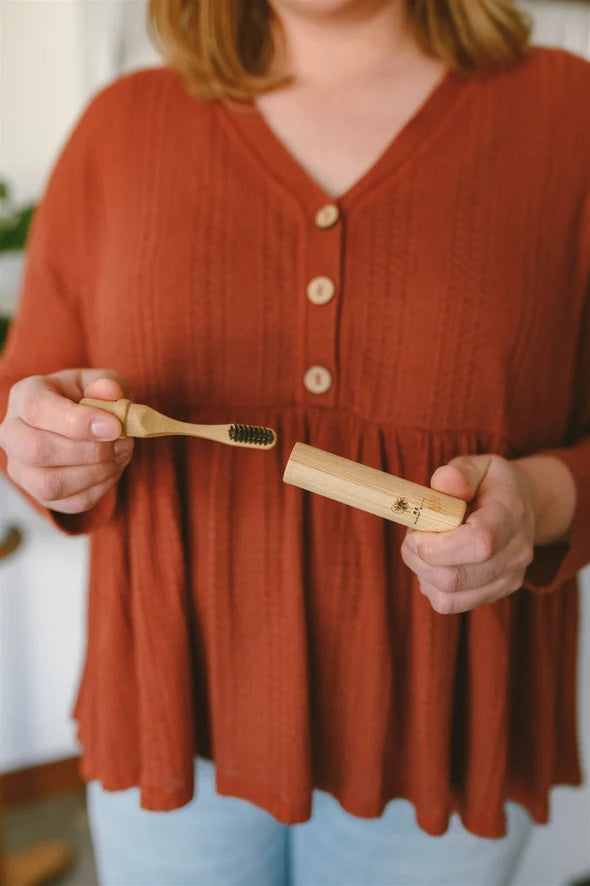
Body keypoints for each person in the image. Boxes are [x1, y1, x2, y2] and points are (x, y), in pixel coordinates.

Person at [1, 0, 589, 883]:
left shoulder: (568, 117)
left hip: (439, 740)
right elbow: (26, 403)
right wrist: (48, 451)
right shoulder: (121, 127)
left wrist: (538, 499)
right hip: (171, 722)